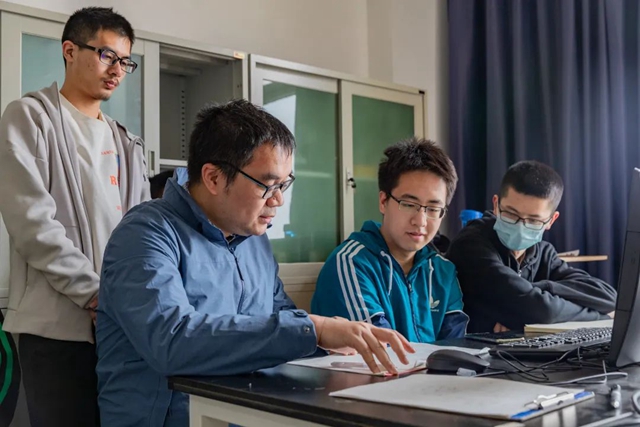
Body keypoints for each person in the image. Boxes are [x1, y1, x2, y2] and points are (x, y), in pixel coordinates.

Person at [96, 99, 414, 427]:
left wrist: (332, 339)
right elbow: (172, 341)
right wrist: (313, 330)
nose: (278, 200)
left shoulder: (253, 240)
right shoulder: (145, 233)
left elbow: (280, 318)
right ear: (214, 178)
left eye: (284, 184)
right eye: (267, 185)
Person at [0, 7, 149, 427]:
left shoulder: (127, 143)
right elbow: (33, 224)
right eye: (106, 55)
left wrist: (125, 301)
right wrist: (94, 295)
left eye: (125, 61)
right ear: (69, 50)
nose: (117, 70)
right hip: (56, 328)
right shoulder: (30, 118)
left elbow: (142, 236)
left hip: (118, 325)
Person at [312, 138, 469, 342]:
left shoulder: (442, 271)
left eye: (433, 209)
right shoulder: (351, 263)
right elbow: (378, 349)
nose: (420, 221)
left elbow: (455, 348)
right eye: (408, 204)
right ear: (383, 201)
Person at [447, 160, 616, 333]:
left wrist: (541, 288)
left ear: (551, 220)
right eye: (511, 214)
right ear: (496, 205)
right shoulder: (471, 245)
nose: (520, 226)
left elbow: (608, 297)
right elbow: (544, 311)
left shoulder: (544, 253)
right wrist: (603, 317)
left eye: (534, 220)